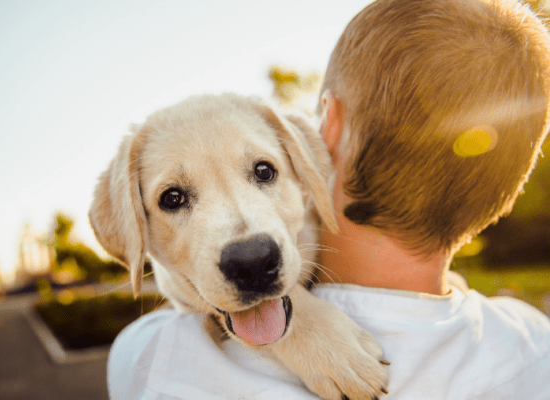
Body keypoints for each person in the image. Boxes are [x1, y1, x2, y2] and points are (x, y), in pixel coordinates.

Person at [107, 0, 550, 398]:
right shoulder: (533, 342)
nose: (245, 242)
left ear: (326, 132)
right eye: (174, 198)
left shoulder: (153, 363)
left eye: (263, 172)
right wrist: (296, 323)